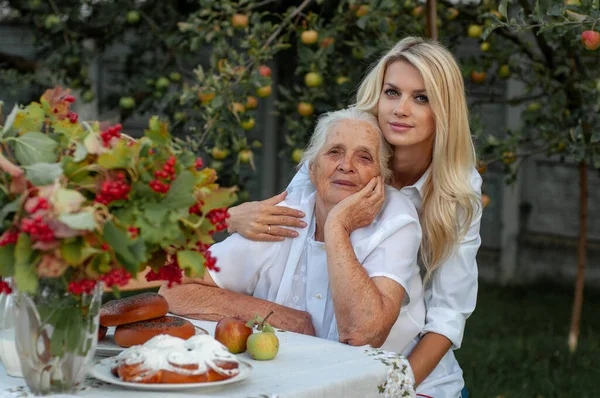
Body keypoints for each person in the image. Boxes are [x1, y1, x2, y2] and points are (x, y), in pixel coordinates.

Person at [226, 36, 482, 398]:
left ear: (444, 110)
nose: (401, 109)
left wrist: (393, 387)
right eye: (392, 93)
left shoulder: (457, 188)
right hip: (329, 361)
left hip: (411, 372)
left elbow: (448, 314)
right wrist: (229, 218)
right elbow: (286, 238)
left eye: (421, 98)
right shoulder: (339, 157)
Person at [160, 107, 426, 356]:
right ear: (312, 170)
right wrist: (275, 315)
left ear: (381, 178)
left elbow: (362, 334)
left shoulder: (395, 221)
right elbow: (174, 290)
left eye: (364, 157)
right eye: (334, 152)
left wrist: (336, 227)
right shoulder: (286, 216)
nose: (347, 165)